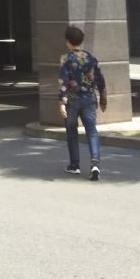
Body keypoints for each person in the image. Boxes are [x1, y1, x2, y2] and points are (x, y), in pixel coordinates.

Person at [58, 24, 107, 180]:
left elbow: (63, 81)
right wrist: (103, 99)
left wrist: (62, 102)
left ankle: (75, 165)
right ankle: (95, 163)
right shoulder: (90, 58)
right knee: (91, 131)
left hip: (72, 100)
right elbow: (99, 79)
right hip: (89, 99)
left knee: (72, 132)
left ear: (68, 41)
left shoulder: (66, 58)